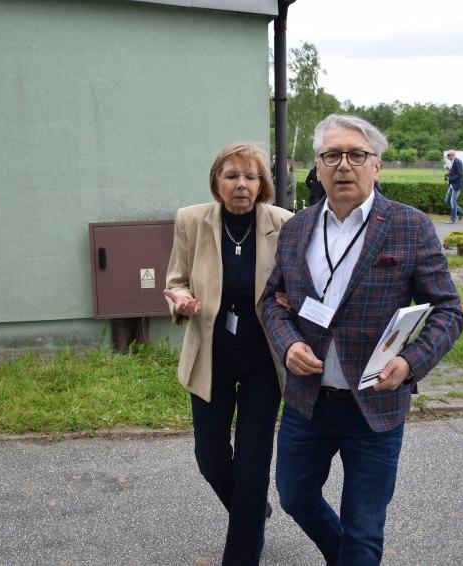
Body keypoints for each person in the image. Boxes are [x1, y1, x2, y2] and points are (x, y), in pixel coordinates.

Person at [262, 114, 463, 565]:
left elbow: (448, 310)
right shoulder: (296, 228)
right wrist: (288, 344)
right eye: (331, 155)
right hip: (308, 401)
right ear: (317, 167)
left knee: (364, 527)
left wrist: (411, 363)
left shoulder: (410, 225)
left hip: (375, 404)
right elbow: (272, 302)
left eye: (356, 155)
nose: (343, 165)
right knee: (294, 496)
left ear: (377, 165)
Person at [164, 143, 292, 566]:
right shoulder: (191, 220)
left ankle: (242, 549)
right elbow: (176, 280)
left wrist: (293, 301)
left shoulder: (284, 224)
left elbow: (300, 284)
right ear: (216, 182)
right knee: (211, 460)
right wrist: (180, 300)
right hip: (211, 355)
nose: (241, 184)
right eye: (232, 175)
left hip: (262, 362)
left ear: (262, 184)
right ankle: (252, 512)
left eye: (250, 177)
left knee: (253, 466)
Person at [444, 149, 463, 223]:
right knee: (447, 201)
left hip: (457, 185)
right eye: (447, 155)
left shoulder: (458, 162)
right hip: (452, 184)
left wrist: (449, 179)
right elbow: (452, 172)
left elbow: (459, 174)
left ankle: (452, 220)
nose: (447, 156)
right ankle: (461, 212)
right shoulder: (451, 162)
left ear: (453, 155)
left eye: (449, 155)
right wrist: (447, 175)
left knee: (453, 202)